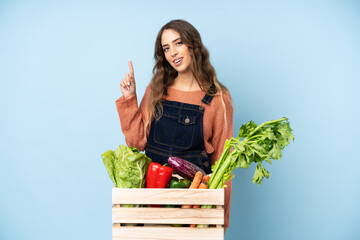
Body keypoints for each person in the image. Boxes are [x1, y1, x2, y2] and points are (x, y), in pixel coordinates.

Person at [115, 19, 234, 232]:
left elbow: (223, 167)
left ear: (193, 45)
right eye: (166, 48)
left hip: (194, 213)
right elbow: (137, 142)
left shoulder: (217, 99)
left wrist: (221, 220)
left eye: (178, 43)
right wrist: (130, 98)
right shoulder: (157, 90)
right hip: (152, 206)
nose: (173, 53)